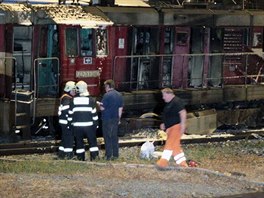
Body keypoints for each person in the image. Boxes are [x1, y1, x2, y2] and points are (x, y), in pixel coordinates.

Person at [156, 88, 188, 169]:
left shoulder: (177, 101)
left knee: (169, 145)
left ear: (169, 94)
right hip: (171, 128)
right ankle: (183, 164)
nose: (163, 97)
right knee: (175, 146)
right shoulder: (170, 103)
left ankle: (163, 162)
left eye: (164, 95)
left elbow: (183, 112)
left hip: (176, 127)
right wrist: (165, 124)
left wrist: (183, 125)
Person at [68, 81, 99, 161]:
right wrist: (96, 125)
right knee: (92, 143)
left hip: (77, 127)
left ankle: (80, 158)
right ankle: (94, 158)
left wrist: (70, 125)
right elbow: (94, 114)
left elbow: (70, 114)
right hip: (89, 126)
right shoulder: (91, 100)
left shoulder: (73, 101)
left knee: (79, 143)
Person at [99, 79, 123, 160]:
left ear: (108, 86)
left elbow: (102, 108)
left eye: (105, 86)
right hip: (115, 118)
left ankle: (108, 155)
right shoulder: (119, 95)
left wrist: (98, 104)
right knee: (114, 137)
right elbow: (120, 109)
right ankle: (115, 155)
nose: (105, 88)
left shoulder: (107, 95)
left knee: (107, 137)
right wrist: (119, 119)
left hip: (107, 119)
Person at [57, 81, 76, 159]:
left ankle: (61, 154)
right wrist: (70, 121)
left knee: (65, 138)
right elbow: (66, 111)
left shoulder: (65, 97)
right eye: (74, 90)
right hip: (66, 122)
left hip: (63, 122)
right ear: (69, 89)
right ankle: (69, 155)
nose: (75, 92)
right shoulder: (67, 99)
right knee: (69, 138)